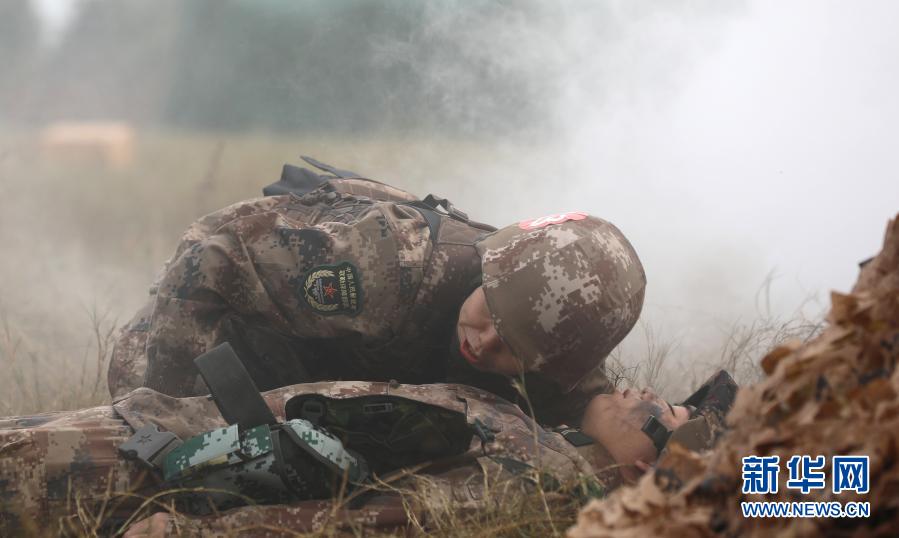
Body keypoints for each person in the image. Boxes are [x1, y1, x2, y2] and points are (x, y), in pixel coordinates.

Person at [108, 157, 647, 425]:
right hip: (203, 331)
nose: (483, 342)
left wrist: (612, 424)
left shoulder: (548, 332)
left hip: (329, 367)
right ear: (490, 270)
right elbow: (208, 259)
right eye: (490, 314)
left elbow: (581, 402)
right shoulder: (389, 266)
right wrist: (163, 431)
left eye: (512, 350)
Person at [0, 371, 737, 536]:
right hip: (151, 427)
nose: (644, 391)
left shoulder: (536, 479)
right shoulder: (544, 432)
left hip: (129, 475)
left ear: (646, 466)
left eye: (662, 411)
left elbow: (362, 523)